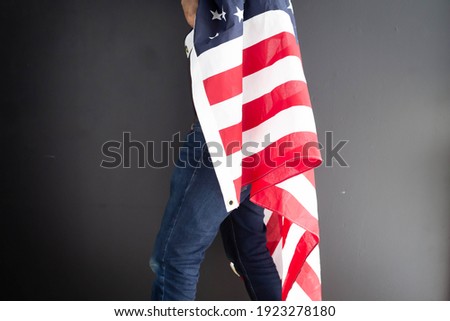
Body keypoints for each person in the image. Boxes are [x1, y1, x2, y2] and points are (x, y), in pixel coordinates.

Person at [149, 0, 281, 301]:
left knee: (174, 257)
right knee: (248, 248)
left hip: (226, 127)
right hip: (265, 122)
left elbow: (196, 14)